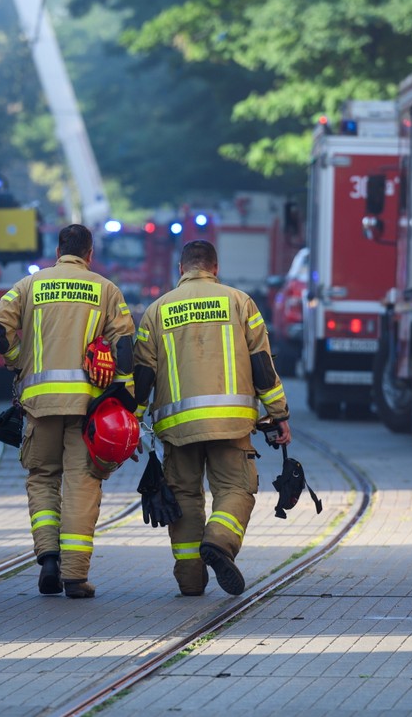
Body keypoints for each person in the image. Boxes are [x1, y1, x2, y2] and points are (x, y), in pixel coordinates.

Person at [133, 239, 290, 596]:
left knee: (184, 497)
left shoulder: (157, 311)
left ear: (181, 270)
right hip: (231, 423)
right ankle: (219, 541)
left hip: (177, 426)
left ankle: (190, 580)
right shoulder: (240, 303)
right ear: (215, 269)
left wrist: (132, 420)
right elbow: (262, 365)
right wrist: (278, 414)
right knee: (235, 488)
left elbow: (142, 374)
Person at [0, 224, 135, 599]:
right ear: (89, 254)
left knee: (42, 478)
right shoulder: (105, 289)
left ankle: (49, 558)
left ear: (57, 250)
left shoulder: (29, 286)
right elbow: (126, 345)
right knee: (81, 484)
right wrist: (123, 391)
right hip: (88, 406)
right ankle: (74, 576)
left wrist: (18, 361)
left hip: (39, 404)